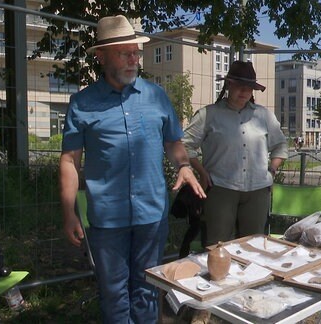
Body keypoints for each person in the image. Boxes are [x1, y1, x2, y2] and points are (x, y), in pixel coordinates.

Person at [58, 15, 205, 323]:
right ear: (101, 56)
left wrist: (183, 165)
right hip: (107, 219)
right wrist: (69, 211)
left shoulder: (156, 96)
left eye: (136, 53)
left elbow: (174, 144)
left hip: (151, 214)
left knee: (148, 289)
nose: (133, 60)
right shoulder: (82, 104)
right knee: (113, 292)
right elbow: (70, 161)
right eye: (124, 53)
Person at [182, 61, 288, 247]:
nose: (244, 92)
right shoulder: (208, 115)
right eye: (240, 86)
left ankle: (252, 277)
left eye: (250, 88)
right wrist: (201, 172)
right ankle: (219, 276)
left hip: (258, 191)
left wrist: (271, 169)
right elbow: (185, 146)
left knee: (254, 245)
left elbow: (280, 145)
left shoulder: (264, 116)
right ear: (228, 84)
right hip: (220, 188)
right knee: (218, 245)